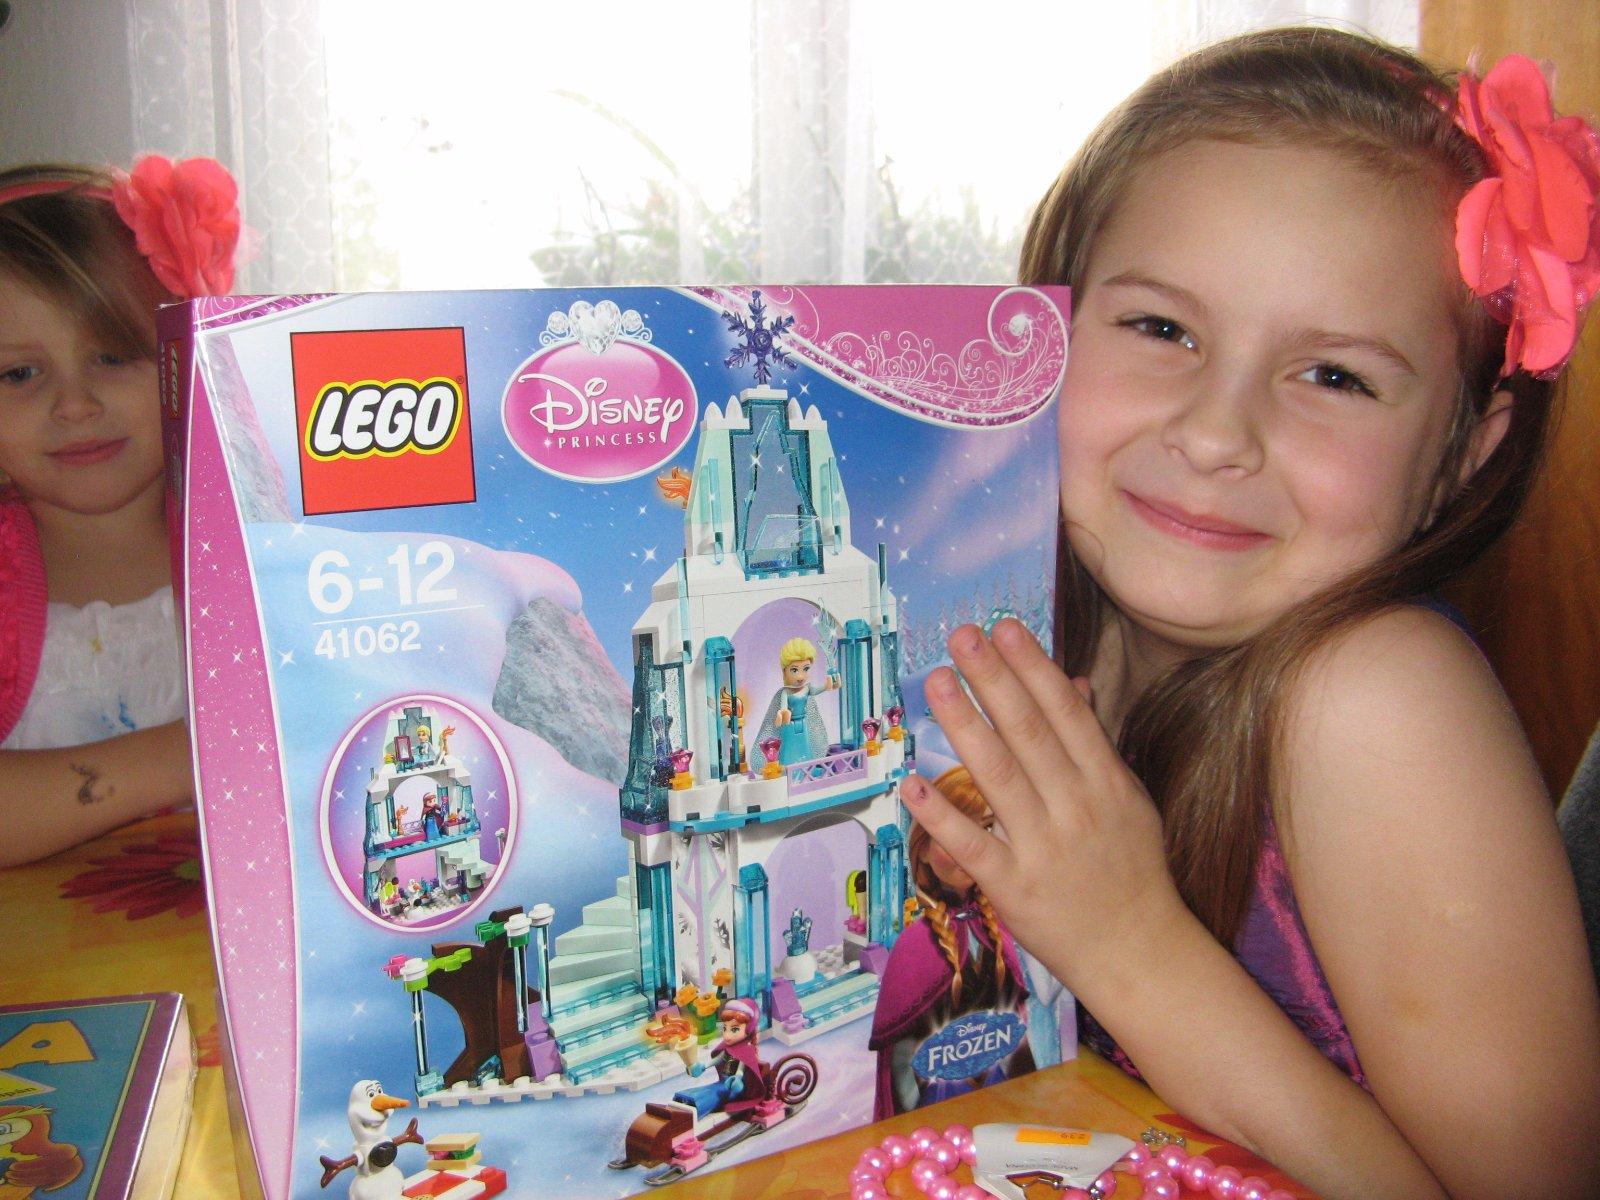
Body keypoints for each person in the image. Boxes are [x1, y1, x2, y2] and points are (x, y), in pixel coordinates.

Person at [900, 29, 1600, 1200]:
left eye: (1334, 377)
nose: (1216, 433)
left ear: (1459, 458)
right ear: (1042, 330)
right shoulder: (1025, 639)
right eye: (1161, 329)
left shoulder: (1378, 700)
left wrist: (1129, 947)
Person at [0, 158, 239, 867]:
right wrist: (188, 756)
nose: (75, 405)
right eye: (18, 373)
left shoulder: (254, 549)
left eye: (112, 356)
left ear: (184, 353)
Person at [869, 766, 1035, 1120]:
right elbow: (900, 1059)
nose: (969, 847)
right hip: (940, 1107)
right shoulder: (914, 946)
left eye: (985, 828)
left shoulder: (999, 927)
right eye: (948, 834)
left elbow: (1019, 1029)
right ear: (923, 850)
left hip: (1003, 1096)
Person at [670, 997, 767, 1120]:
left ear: (747, 1030)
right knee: (707, 1089)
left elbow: (741, 1068)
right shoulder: (728, 1048)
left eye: (734, 1029)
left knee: (714, 1094)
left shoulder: (746, 1051)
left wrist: (737, 1078)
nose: (727, 1035)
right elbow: (719, 1059)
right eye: (725, 1028)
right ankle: (684, 1101)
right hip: (722, 1083)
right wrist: (704, 1066)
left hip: (731, 1087)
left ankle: (696, 1108)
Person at [754, 636, 839, 766]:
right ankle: (788, 768)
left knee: (805, 747)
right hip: (789, 726)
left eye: (806, 669)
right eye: (794, 670)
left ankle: (808, 767)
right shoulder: (786, 692)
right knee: (789, 749)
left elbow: (817, 691)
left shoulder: (807, 688)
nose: (800, 676)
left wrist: (827, 686)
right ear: (785, 671)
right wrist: (782, 714)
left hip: (803, 724)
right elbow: (783, 707)